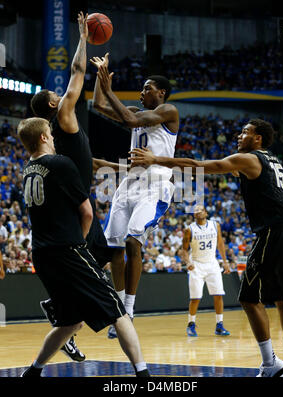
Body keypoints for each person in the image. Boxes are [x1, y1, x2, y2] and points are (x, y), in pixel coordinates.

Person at [130, 118, 283, 377]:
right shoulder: (271, 160)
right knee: (282, 299)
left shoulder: (250, 159)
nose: (239, 136)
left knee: (248, 298)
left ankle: (270, 363)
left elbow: (199, 165)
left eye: (245, 132)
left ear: (258, 139)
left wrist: (157, 160)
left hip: (273, 232)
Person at [18, 117, 150, 377]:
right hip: (68, 249)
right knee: (118, 311)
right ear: (44, 138)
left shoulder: (28, 169)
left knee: (70, 321)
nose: (54, 138)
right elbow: (87, 213)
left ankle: (33, 372)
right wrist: (80, 245)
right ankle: (144, 376)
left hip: (42, 254)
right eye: (51, 134)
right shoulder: (60, 163)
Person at [30, 12, 125, 361]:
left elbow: (91, 162)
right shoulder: (64, 115)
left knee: (103, 258)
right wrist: (83, 38)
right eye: (56, 94)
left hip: (78, 199)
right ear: (54, 104)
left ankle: (63, 311)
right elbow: (76, 73)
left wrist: (123, 168)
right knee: (108, 256)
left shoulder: (67, 131)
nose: (62, 93)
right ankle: (77, 312)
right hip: (76, 204)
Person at [91, 53, 179, 338]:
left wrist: (109, 89)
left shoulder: (169, 112)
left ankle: (129, 308)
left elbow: (128, 120)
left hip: (156, 185)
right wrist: (100, 78)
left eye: (147, 89)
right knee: (114, 249)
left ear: (161, 92)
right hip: (130, 184)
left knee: (132, 242)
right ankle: (118, 309)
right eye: (141, 89)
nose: (142, 93)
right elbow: (99, 105)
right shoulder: (137, 114)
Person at [181, 204, 231, 337]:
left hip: (212, 264)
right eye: (195, 211)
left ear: (206, 213)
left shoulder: (215, 225)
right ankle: (191, 324)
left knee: (218, 295)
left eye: (200, 210)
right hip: (196, 265)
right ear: (194, 215)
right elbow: (184, 250)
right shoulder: (189, 229)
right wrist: (188, 262)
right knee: (195, 298)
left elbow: (220, 243)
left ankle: (219, 325)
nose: (198, 212)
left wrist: (225, 262)